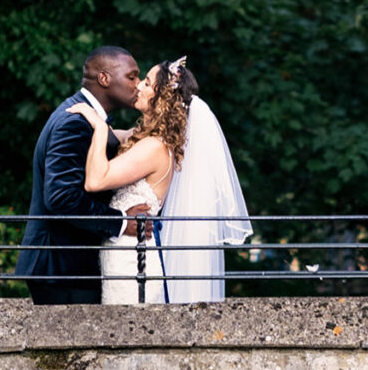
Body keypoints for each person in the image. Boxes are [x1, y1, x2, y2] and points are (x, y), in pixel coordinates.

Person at [68, 57, 252, 304]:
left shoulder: (154, 148)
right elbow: (117, 136)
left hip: (132, 260)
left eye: (146, 82)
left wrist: (99, 129)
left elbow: (95, 181)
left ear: (162, 97)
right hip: (123, 253)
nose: (138, 87)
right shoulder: (147, 139)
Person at [16, 46, 141, 304]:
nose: (137, 85)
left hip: (69, 268)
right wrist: (119, 222)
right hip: (61, 269)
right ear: (104, 78)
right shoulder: (74, 121)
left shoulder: (89, 118)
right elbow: (62, 197)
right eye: (132, 76)